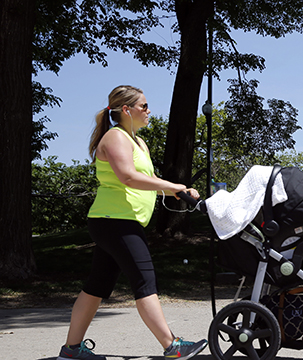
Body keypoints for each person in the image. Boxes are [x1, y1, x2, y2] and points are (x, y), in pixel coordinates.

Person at [57, 85, 207, 360]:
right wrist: (171, 184)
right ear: (126, 110)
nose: (149, 111)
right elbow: (127, 177)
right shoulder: (115, 138)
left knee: (97, 285)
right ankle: (172, 346)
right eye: (144, 106)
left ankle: (71, 350)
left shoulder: (137, 141)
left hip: (121, 221)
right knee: (144, 280)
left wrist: (177, 191)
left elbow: (145, 184)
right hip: (114, 221)